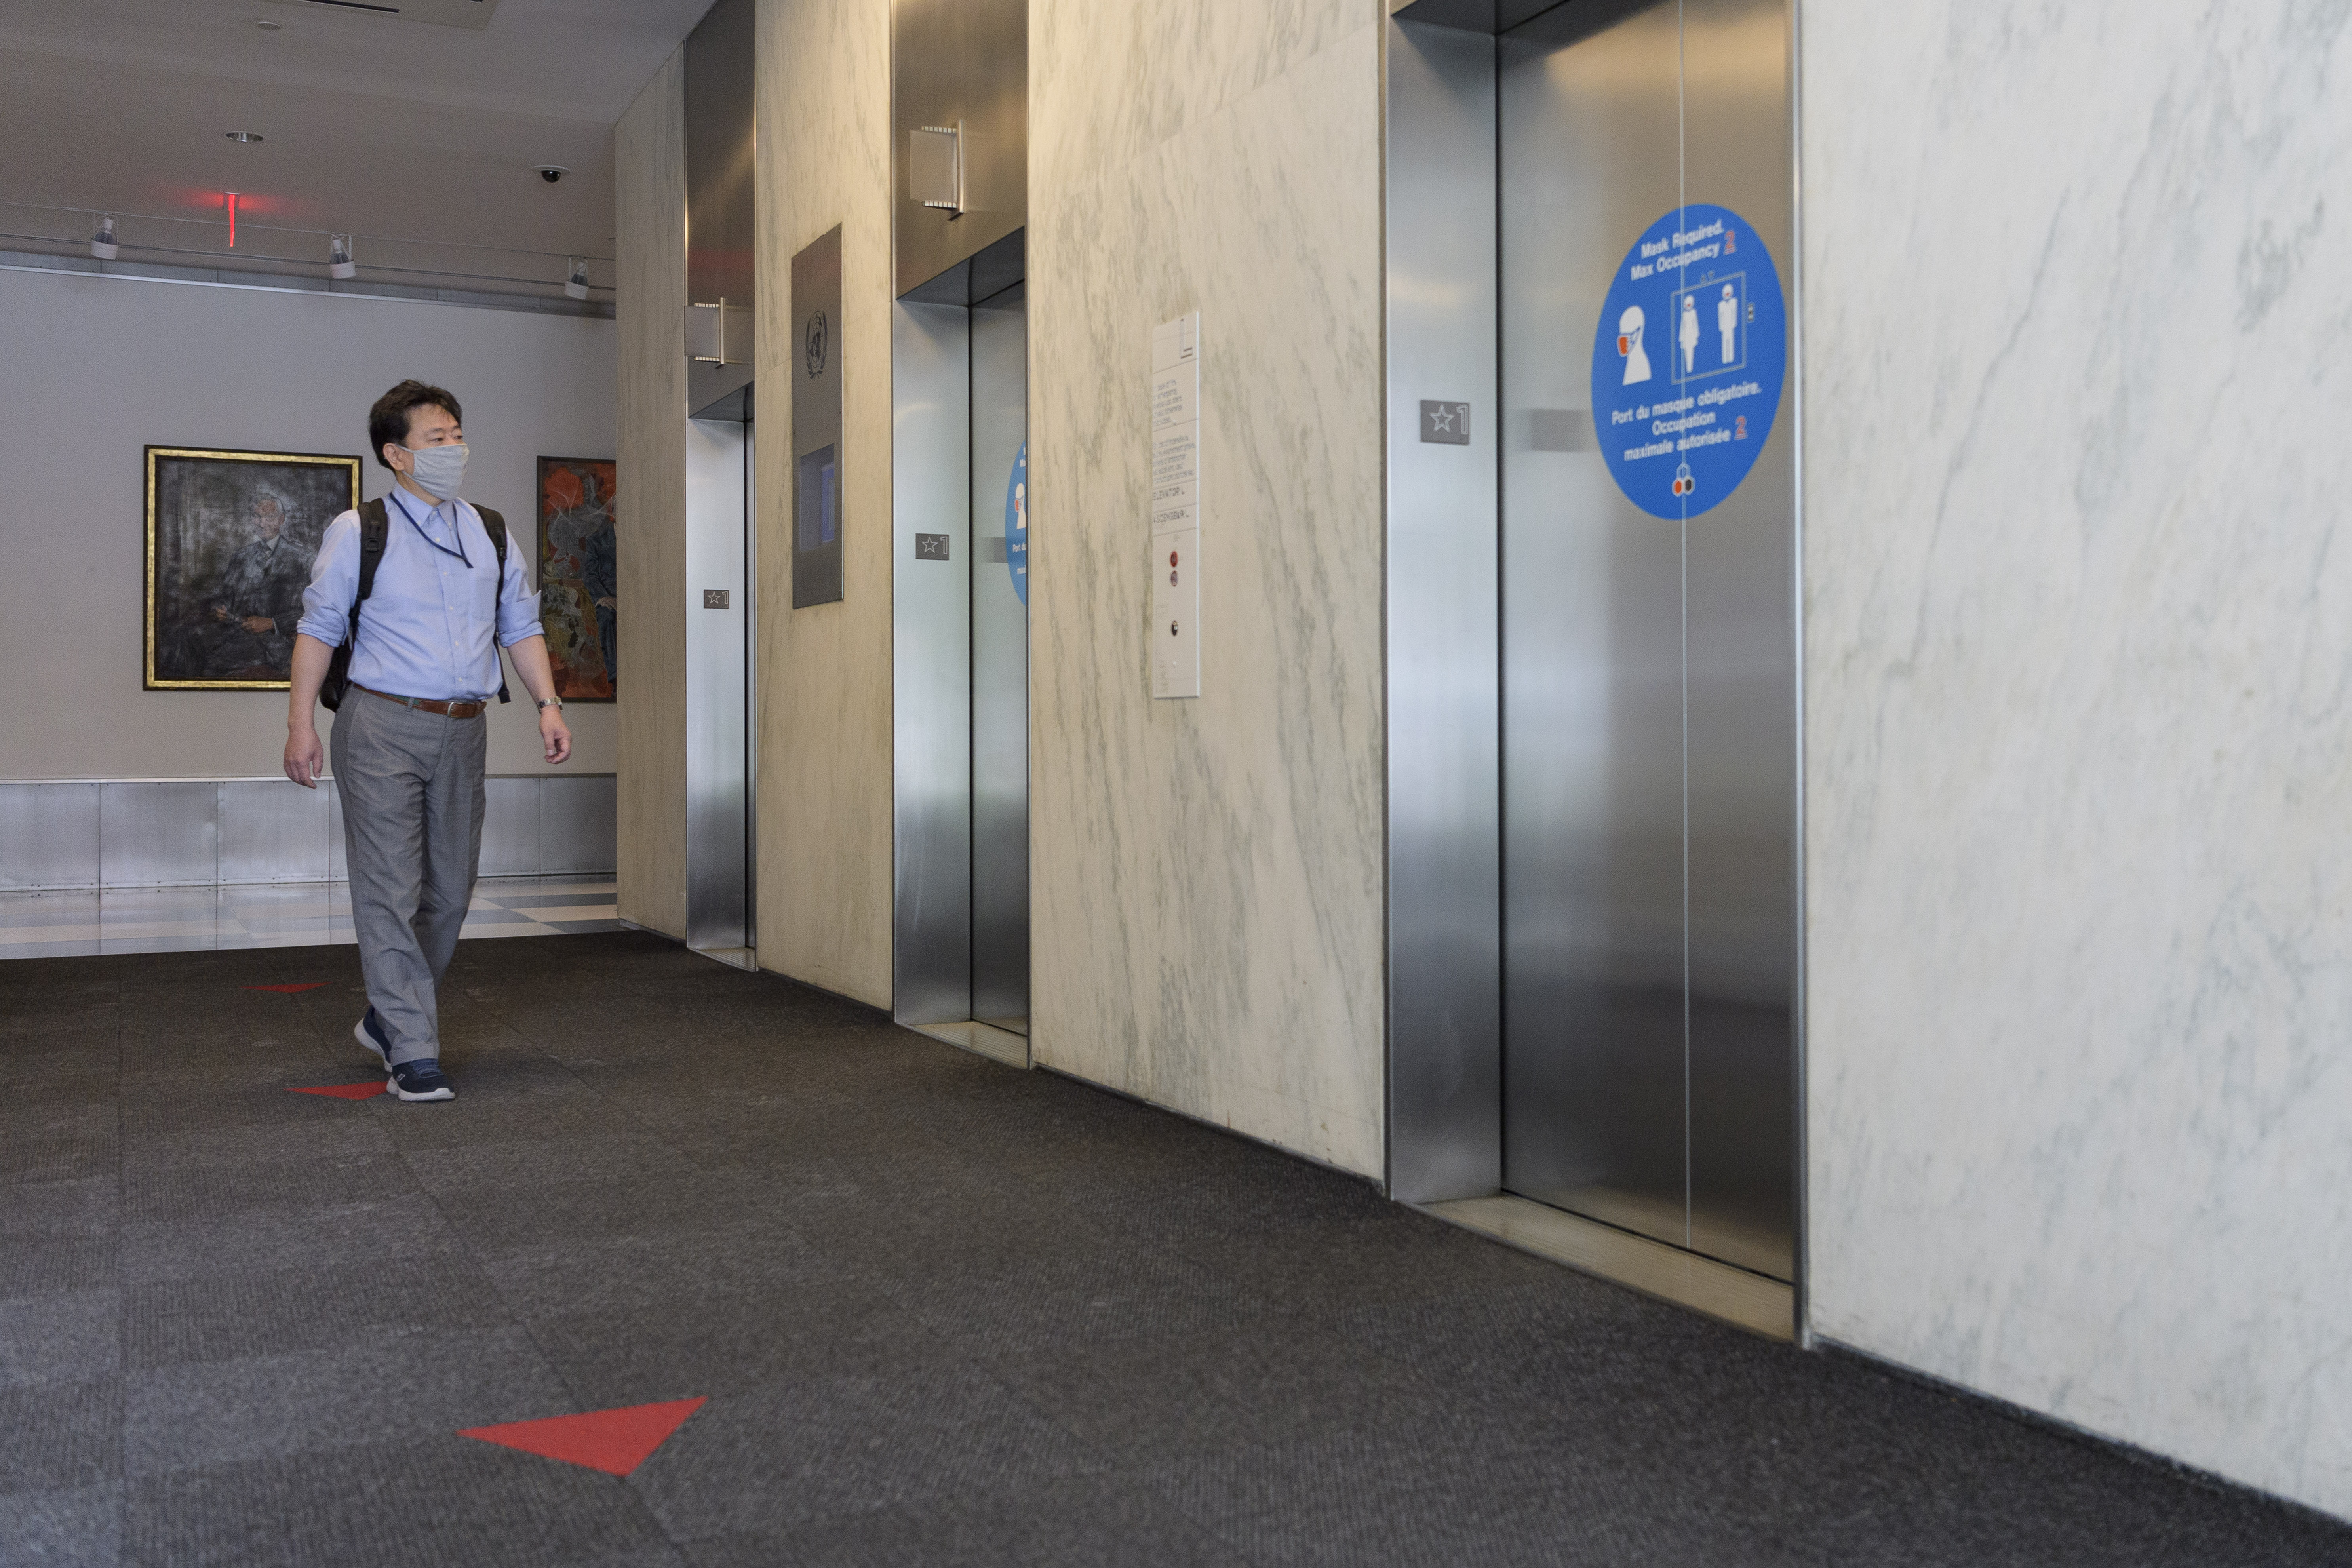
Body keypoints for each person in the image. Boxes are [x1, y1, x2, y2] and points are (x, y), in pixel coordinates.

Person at [282, 380, 573, 1102]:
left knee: (449, 890)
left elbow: (520, 626)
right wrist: (299, 725)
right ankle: (412, 1050)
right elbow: (318, 629)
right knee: (388, 887)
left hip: (464, 727)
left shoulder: (492, 530)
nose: (454, 448)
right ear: (397, 454)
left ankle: (388, 1016)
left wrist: (549, 704)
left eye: (457, 434)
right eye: (437, 438)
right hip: (380, 723)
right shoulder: (360, 530)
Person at [176, 490, 311, 679]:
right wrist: (220, 609)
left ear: (281, 520)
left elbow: (310, 610)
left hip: (274, 642)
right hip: (236, 631)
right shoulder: (241, 557)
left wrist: (271, 623)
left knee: (214, 664)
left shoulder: (300, 559)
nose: (262, 523)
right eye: (257, 517)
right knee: (189, 638)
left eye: (268, 517)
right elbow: (226, 597)